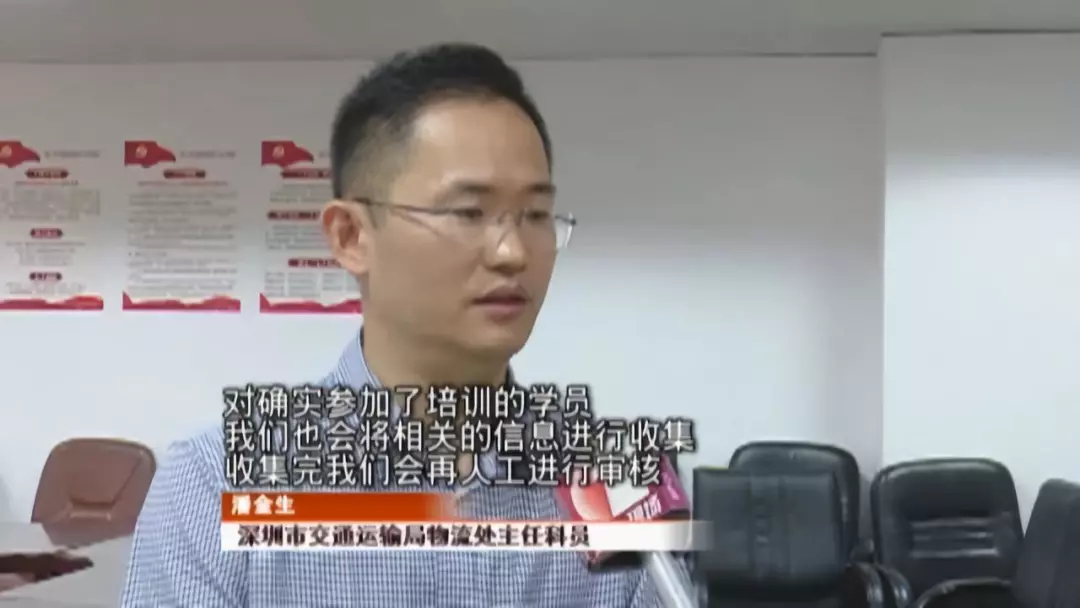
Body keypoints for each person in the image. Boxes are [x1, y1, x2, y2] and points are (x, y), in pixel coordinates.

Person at [121, 42, 682, 607]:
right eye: (468, 212)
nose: (513, 251)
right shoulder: (214, 486)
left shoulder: (622, 485)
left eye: (536, 214)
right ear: (351, 236)